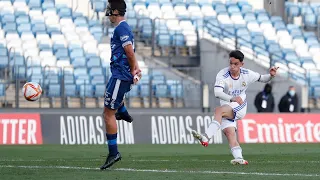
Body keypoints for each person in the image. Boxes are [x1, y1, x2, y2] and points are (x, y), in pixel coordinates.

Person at [191, 50, 278, 165]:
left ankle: (206, 137)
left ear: (242, 64)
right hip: (228, 106)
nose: (232, 66)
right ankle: (239, 158)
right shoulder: (222, 74)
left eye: (235, 64)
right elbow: (217, 93)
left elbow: (262, 78)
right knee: (230, 134)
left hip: (240, 106)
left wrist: (271, 76)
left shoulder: (247, 74)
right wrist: (232, 98)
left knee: (218, 111)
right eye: (230, 63)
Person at [100, 0, 141, 170]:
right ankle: (123, 113)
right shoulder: (122, 28)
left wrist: (132, 70)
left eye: (110, 9)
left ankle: (113, 152)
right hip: (119, 74)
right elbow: (129, 52)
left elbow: (129, 52)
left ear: (116, 11)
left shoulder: (122, 28)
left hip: (121, 75)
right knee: (110, 98)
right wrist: (136, 67)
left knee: (108, 113)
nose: (108, 12)